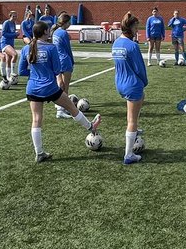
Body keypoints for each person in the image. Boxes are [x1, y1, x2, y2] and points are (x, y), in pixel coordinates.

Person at [22, 19, 101, 163]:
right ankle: (91, 127)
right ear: (46, 32)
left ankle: (39, 153)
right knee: (72, 108)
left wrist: (35, 75)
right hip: (49, 87)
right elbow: (57, 69)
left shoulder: (26, 48)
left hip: (32, 87)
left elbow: (22, 70)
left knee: (36, 119)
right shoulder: (51, 48)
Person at [112, 12, 148, 165]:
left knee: (137, 106)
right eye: (136, 27)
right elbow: (140, 69)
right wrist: (144, 82)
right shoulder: (133, 46)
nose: (137, 30)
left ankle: (134, 130)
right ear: (131, 27)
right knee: (131, 120)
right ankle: (128, 155)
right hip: (132, 84)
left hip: (120, 83)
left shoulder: (115, 43)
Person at [52, 12, 76, 116]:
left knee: (60, 85)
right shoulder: (64, 33)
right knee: (65, 87)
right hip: (65, 61)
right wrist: (72, 60)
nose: (70, 24)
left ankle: (59, 105)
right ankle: (61, 110)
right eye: (69, 22)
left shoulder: (55, 32)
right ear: (65, 23)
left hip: (58, 61)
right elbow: (68, 49)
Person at [2, 10, 19, 77]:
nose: (15, 17)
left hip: (11, 43)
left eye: (16, 16)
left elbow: (13, 33)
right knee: (15, 55)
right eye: (13, 16)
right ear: (10, 16)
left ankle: (8, 77)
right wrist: (14, 34)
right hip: (5, 43)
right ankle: (12, 72)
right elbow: (3, 33)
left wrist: (16, 34)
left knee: (8, 60)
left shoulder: (14, 23)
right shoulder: (6, 23)